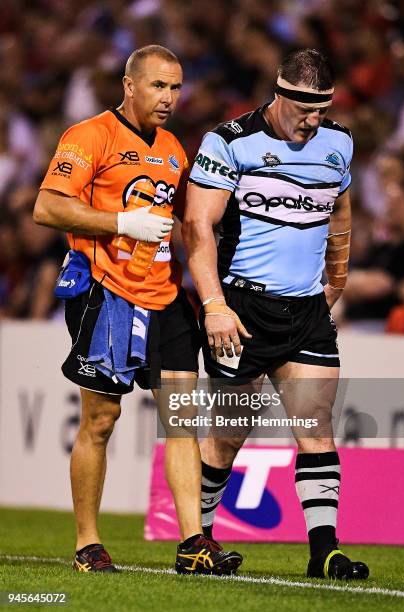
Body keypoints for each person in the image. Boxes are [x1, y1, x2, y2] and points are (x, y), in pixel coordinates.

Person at [33, 45, 242, 575]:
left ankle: (193, 543)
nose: (169, 98)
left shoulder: (174, 149)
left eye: (175, 87)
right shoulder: (89, 136)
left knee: (181, 420)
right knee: (100, 420)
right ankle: (88, 543)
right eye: (157, 86)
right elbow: (48, 206)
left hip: (165, 295)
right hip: (104, 293)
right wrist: (122, 223)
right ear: (129, 86)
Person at [183, 49, 369, 580]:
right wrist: (214, 306)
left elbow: (341, 208)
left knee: (316, 428)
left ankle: (324, 551)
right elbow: (198, 227)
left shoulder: (339, 141)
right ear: (280, 95)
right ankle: (200, 540)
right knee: (228, 433)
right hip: (241, 308)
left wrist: (337, 276)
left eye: (322, 109)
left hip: (307, 309)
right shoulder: (230, 141)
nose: (314, 121)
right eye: (305, 110)